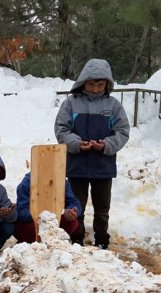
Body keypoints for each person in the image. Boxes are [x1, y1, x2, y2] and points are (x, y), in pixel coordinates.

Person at [54, 58, 130, 249]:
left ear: (107, 84)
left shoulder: (113, 106)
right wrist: (77, 144)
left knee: (102, 208)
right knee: (75, 206)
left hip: (103, 166)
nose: (96, 89)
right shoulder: (71, 103)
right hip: (77, 165)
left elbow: (122, 131)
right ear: (83, 82)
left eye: (100, 84)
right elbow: (61, 129)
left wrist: (106, 145)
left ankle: (102, 238)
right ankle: (76, 237)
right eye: (91, 84)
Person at [13, 172, 83, 243]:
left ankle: (54, 240)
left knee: (72, 222)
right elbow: (21, 211)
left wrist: (72, 211)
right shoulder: (27, 182)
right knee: (28, 229)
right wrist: (41, 216)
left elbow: (73, 201)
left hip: (52, 222)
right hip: (32, 223)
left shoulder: (60, 181)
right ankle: (31, 242)